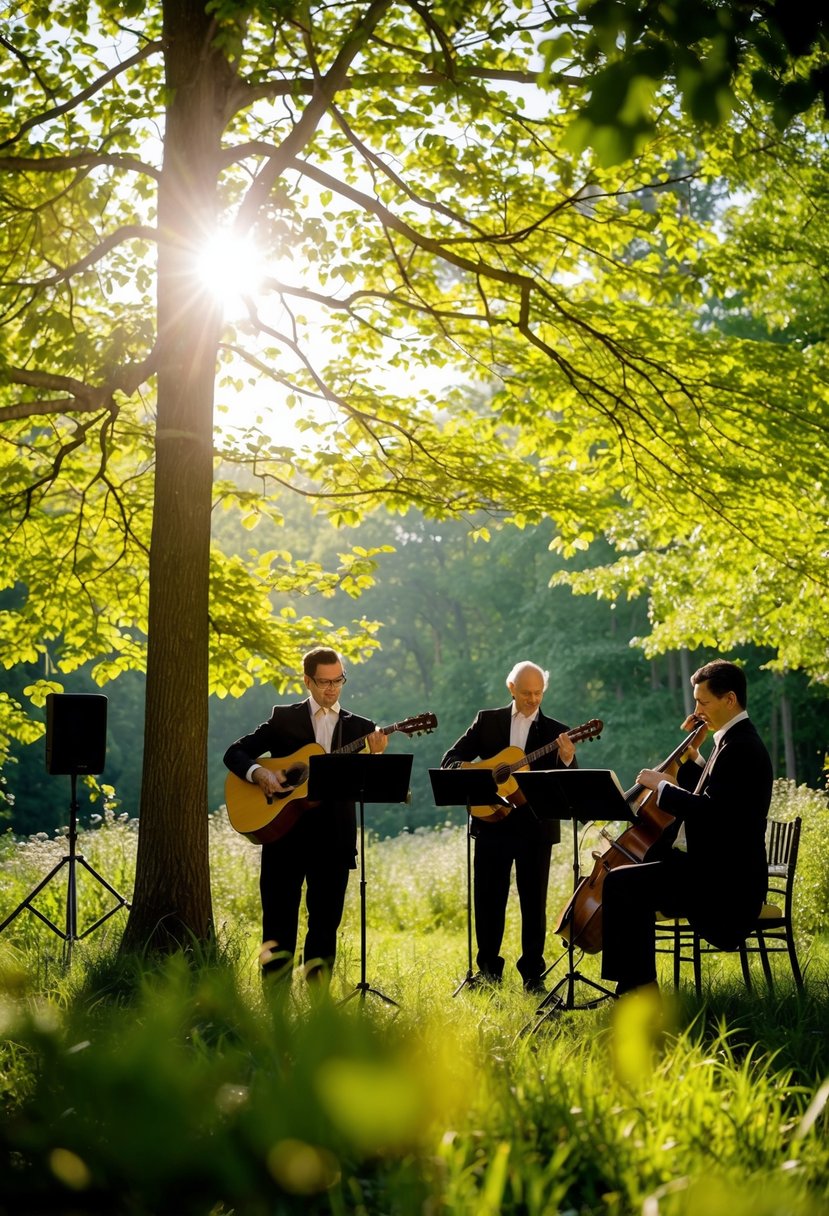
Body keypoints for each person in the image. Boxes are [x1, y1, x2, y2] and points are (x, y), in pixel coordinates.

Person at [600, 658, 772, 996]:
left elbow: (712, 812)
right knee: (625, 880)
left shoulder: (743, 748)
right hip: (707, 869)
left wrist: (660, 786)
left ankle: (638, 989)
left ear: (730, 700)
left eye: (703, 702)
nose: (697, 709)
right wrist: (693, 755)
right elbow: (713, 790)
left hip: (724, 881)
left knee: (622, 884)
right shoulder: (730, 742)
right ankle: (636, 984)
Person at [223, 646, 388, 986]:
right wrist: (260, 774)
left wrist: (376, 756)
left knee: (325, 925)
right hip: (284, 837)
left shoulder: (360, 727)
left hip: (334, 841)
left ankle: (318, 1008)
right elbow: (235, 752)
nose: (332, 688)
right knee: (278, 924)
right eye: (324, 682)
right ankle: (275, 1004)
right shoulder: (285, 719)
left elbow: (366, 785)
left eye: (338, 680)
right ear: (307, 681)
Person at [440, 661, 577, 994]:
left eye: (538, 693)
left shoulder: (557, 731)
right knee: (488, 901)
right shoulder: (488, 721)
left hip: (535, 828)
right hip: (491, 824)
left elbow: (569, 784)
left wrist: (568, 757)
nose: (532, 699)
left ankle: (533, 975)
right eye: (526, 692)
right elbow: (451, 760)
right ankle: (488, 973)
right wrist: (480, 772)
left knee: (534, 904)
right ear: (511, 688)